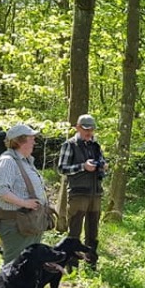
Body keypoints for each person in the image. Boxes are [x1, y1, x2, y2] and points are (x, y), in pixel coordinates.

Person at [0, 124, 50, 264]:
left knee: (27, 267)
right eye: (31, 138)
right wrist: (25, 203)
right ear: (20, 141)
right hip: (16, 225)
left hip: (29, 223)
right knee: (14, 268)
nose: (34, 142)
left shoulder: (26, 161)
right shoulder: (7, 161)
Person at [57, 113, 106, 267]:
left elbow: (102, 165)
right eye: (86, 129)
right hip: (78, 194)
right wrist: (82, 166)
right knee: (74, 232)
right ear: (77, 128)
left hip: (96, 193)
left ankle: (91, 263)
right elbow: (61, 168)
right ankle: (71, 265)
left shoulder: (96, 145)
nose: (89, 132)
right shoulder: (69, 145)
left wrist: (103, 167)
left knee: (93, 231)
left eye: (91, 129)